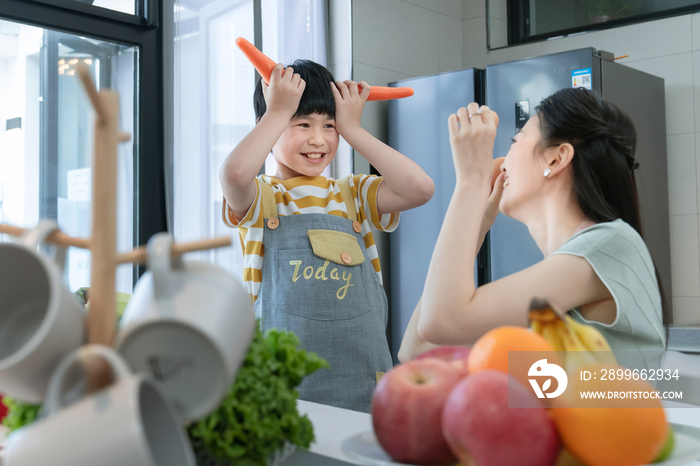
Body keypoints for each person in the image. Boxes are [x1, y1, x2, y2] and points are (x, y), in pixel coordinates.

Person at [399, 88, 668, 372]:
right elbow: (417, 350)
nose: (504, 159)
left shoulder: (613, 243)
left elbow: (441, 322)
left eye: (515, 140)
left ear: (555, 159)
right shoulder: (561, 285)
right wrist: (478, 219)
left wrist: (471, 181)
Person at [220, 59, 434, 412]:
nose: (318, 139)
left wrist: (353, 129)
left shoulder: (353, 194)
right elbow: (235, 174)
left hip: (364, 389)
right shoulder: (263, 197)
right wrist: (276, 112)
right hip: (285, 394)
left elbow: (421, 188)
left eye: (329, 126)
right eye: (302, 123)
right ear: (269, 126)